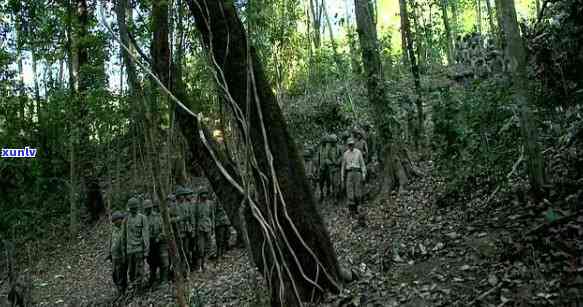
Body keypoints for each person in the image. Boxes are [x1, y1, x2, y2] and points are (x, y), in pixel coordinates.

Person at [123, 197, 149, 290]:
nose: (133, 210)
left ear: (137, 208)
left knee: (140, 270)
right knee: (131, 271)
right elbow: (124, 236)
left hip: (139, 249)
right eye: (131, 208)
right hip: (129, 250)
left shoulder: (142, 218)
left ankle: (139, 288)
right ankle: (134, 286)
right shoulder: (126, 219)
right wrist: (124, 250)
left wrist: (146, 250)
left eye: (135, 208)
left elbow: (145, 235)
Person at [341, 138, 367, 226]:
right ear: (347, 145)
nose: (351, 146)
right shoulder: (345, 154)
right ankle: (352, 211)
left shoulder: (358, 152)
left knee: (358, 191)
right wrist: (342, 178)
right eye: (349, 145)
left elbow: (362, 164)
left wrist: (363, 174)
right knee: (349, 191)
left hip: (357, 172)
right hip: (349, 173)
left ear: (354, 144)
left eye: (352, 144)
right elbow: (343, 167)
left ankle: (360, 210)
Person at [144, 199, 169, 286]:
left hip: (160, 242)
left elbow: (164, 230)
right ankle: (153, 279)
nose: (148, 210)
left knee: (164, 261)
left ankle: (164, 279)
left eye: (149, 208)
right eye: (146, 208)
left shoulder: (158, 217)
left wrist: (159, 237)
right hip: (149, 242)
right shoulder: (144, 218)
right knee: (151, 262)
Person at [107, 211, 127, 296]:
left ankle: (122, 290)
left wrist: (124, 255)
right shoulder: (114, 230)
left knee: (121, 274)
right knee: (114, 274)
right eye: (114, 221)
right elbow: (111, 242)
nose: (115, 222)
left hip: (121, 256)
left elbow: (124, 243)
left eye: (117, 220)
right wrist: (109, 253)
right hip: (114, 256)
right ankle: (119, 288)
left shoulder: (124, 230)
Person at [193, 188, 213, 271]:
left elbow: (212, 216)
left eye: (205, 194)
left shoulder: (210, 204)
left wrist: (213, 227)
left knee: (208, 246)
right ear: (200, 195)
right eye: (202, 194)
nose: (204, 196)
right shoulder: (196, 205)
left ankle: (205, 263)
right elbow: (194, 218)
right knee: (200, 248)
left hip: (208, 227)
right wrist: (194, 229)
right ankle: (199, 265)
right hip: (199, 228)